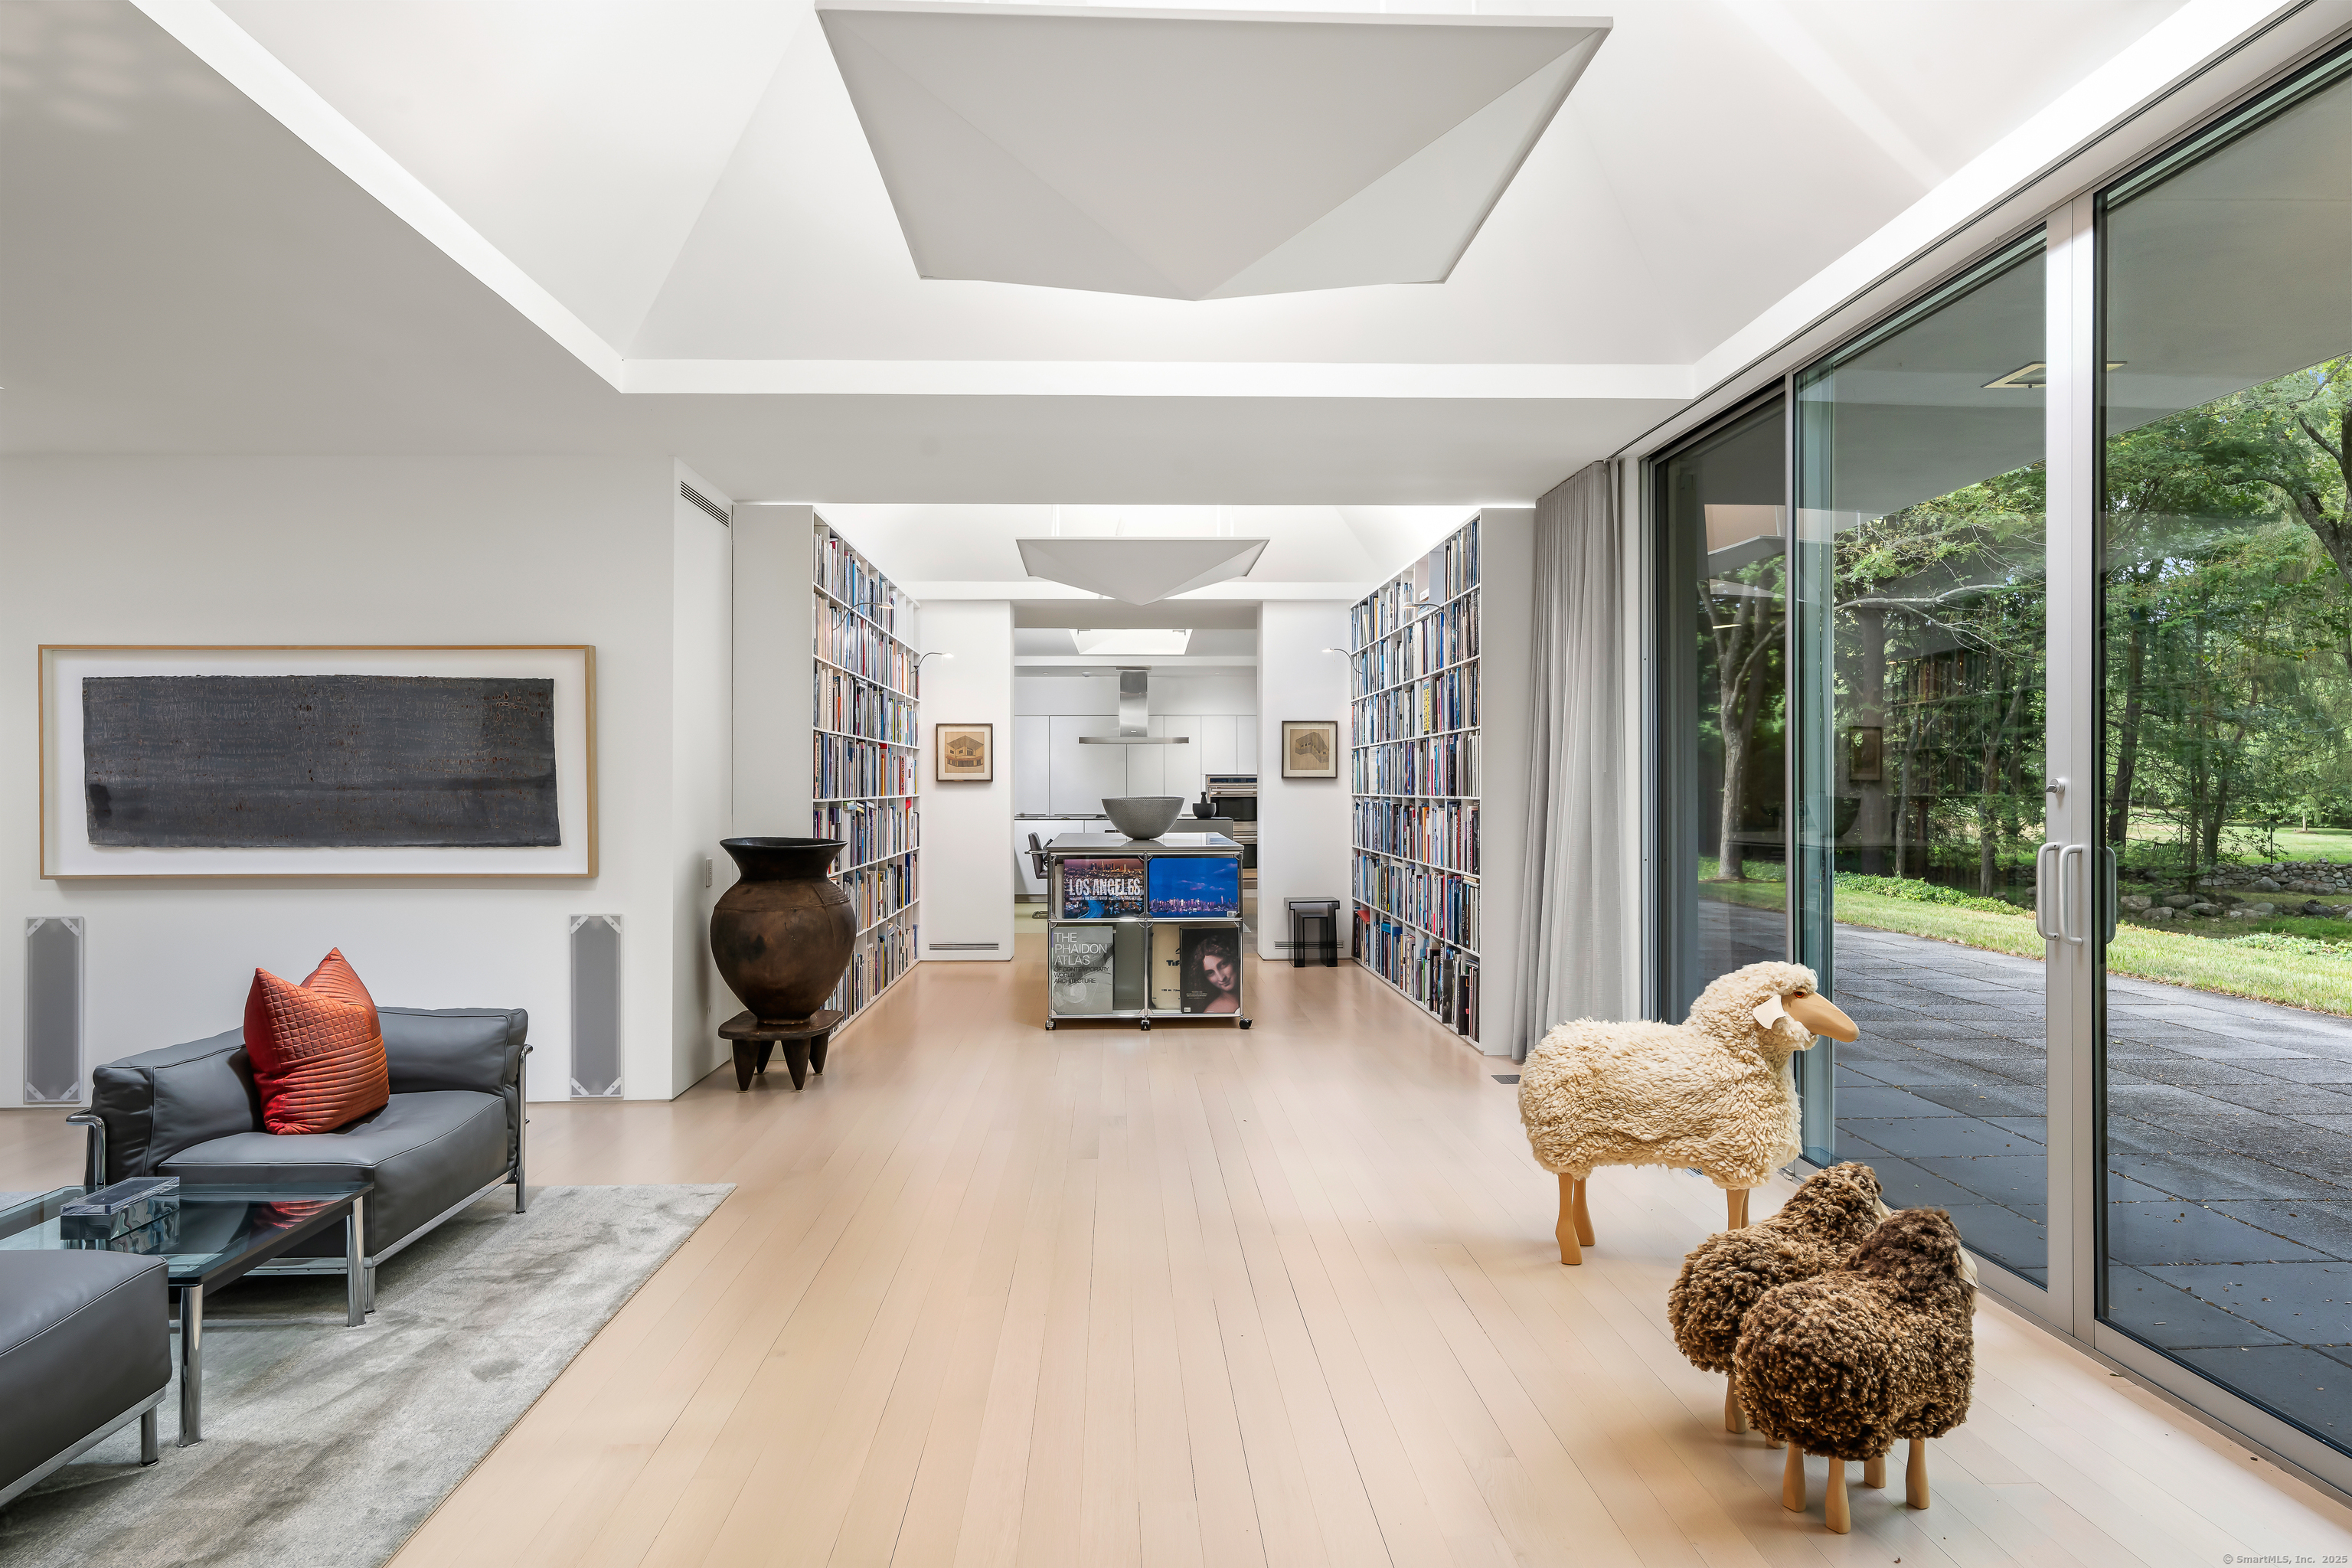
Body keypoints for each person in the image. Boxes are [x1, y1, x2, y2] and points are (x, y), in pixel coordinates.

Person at [1192, 930, 1240, 1014]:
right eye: (1210, 973)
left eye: (1223, 964)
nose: (1221, 978)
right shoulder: (1212, 1011)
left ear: (1233, 960)